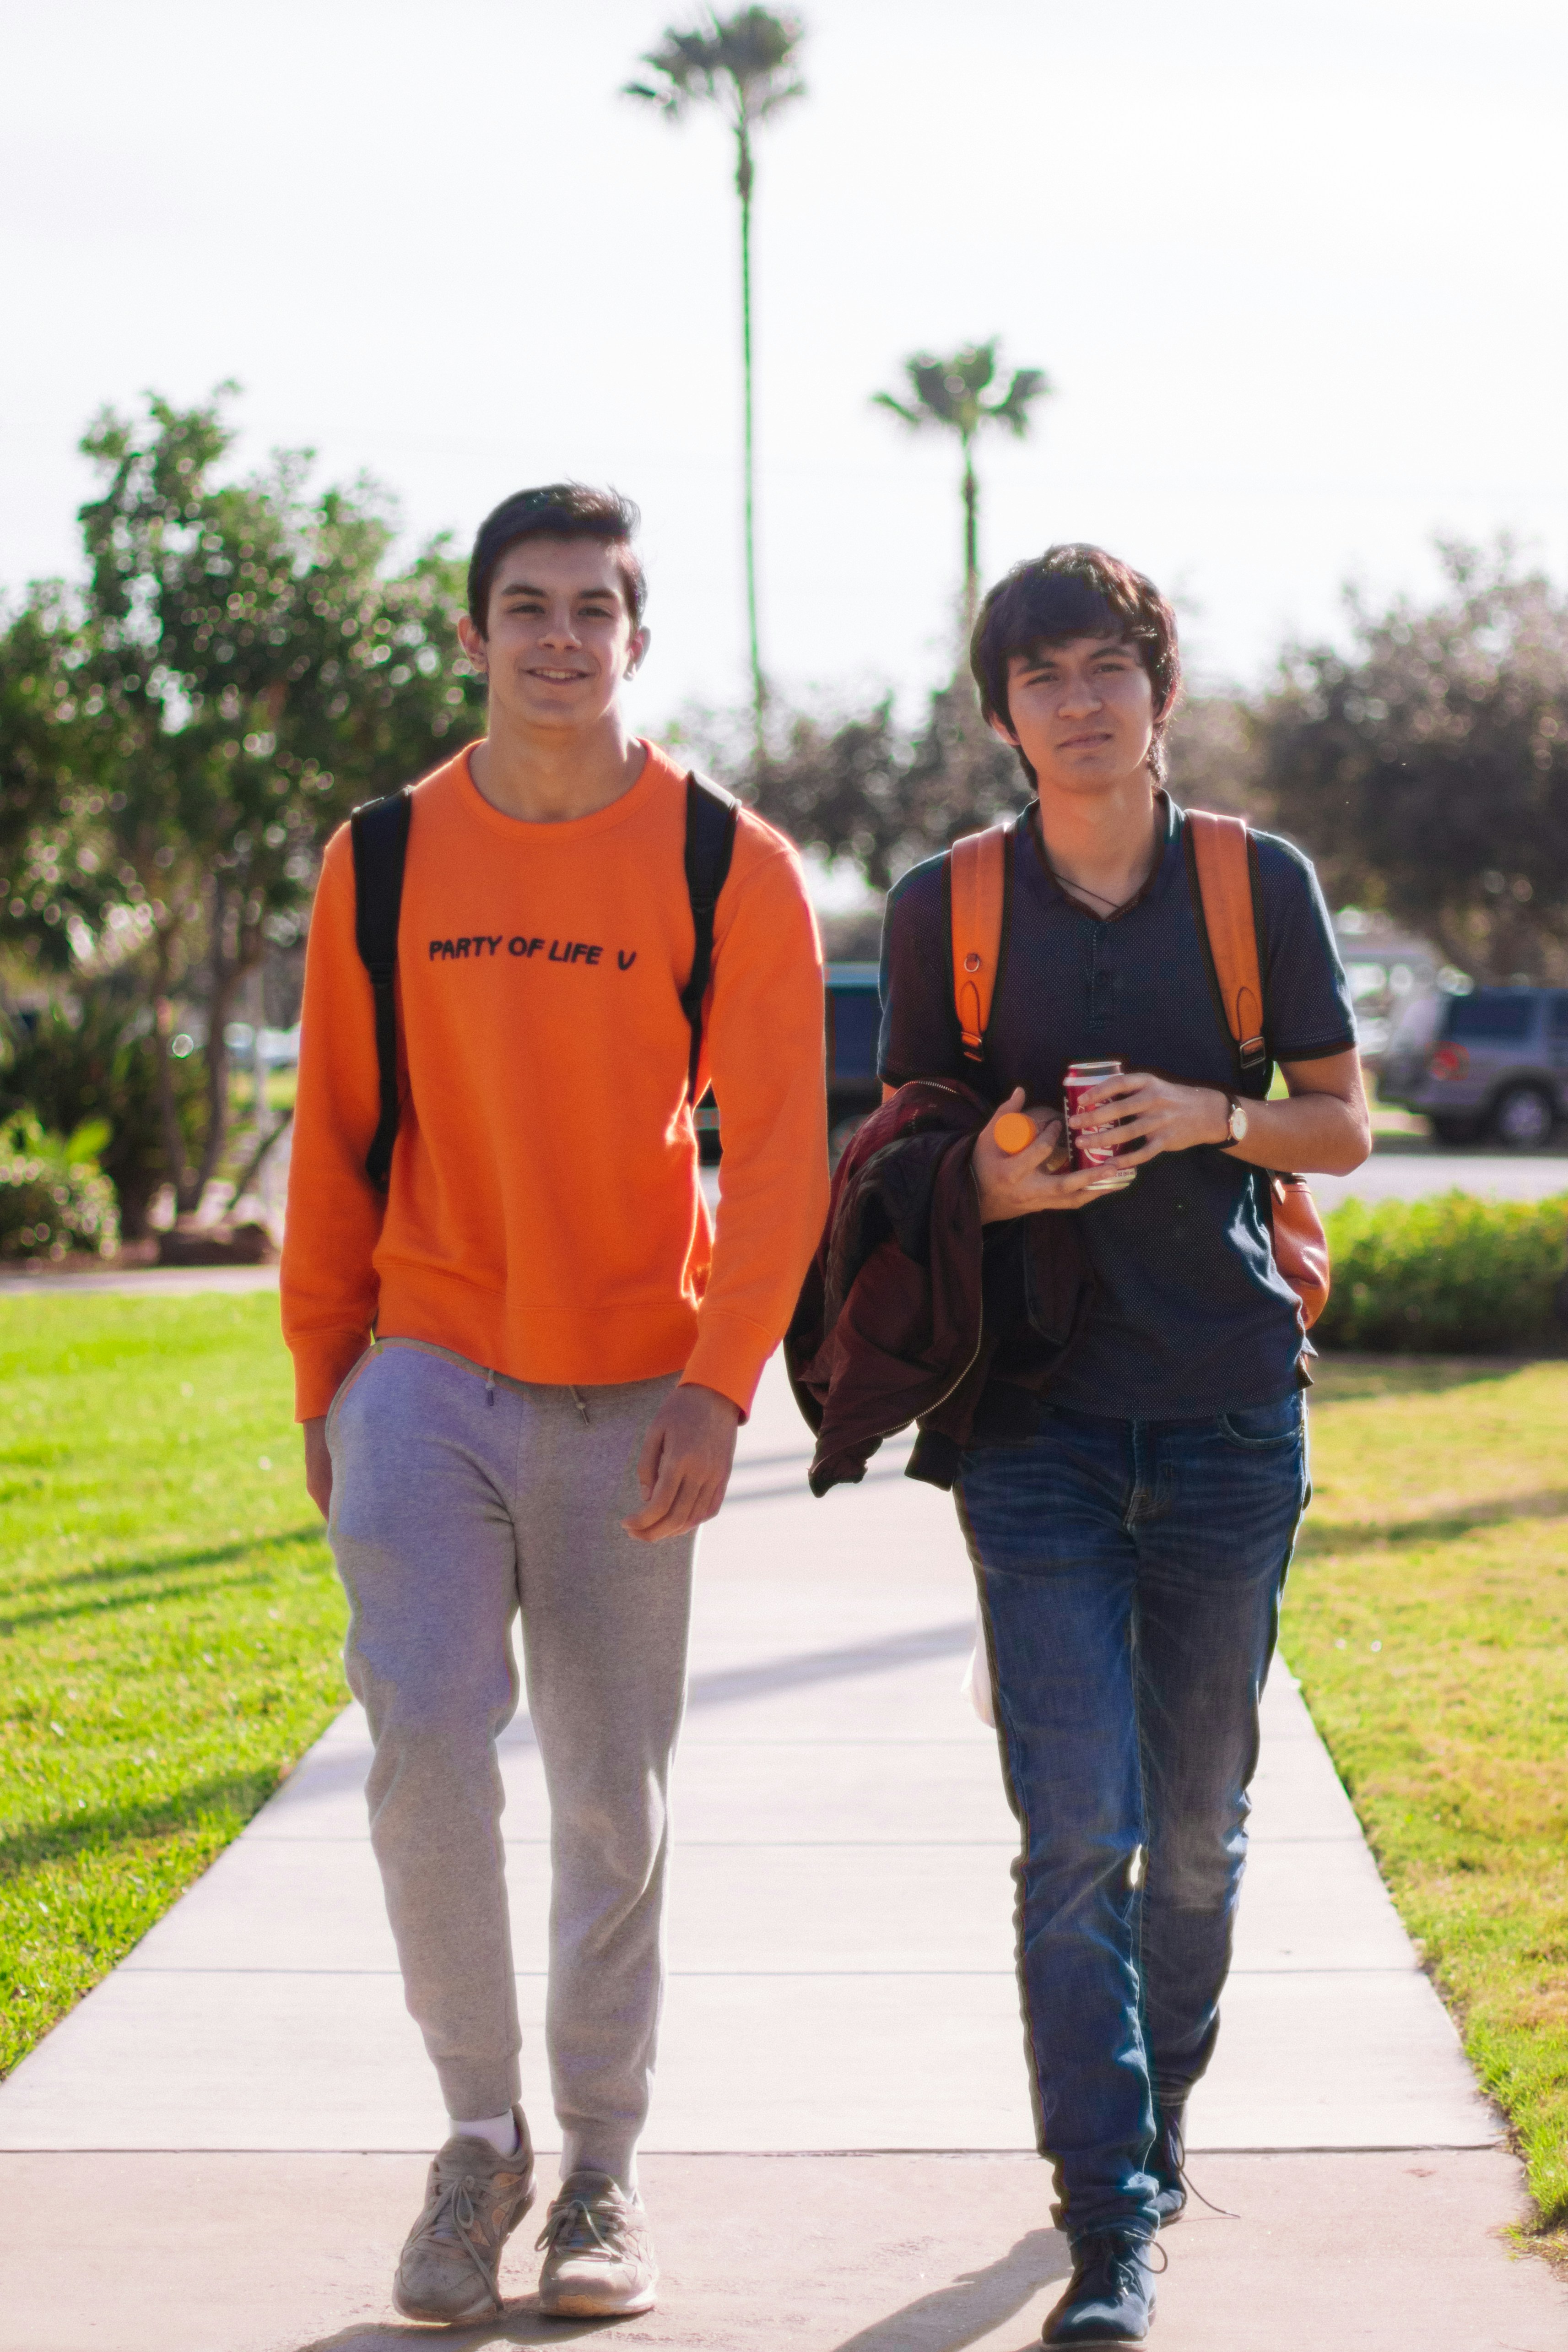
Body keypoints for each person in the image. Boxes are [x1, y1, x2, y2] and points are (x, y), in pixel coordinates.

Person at [281, 482, 827, 2325]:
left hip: (632, 1392)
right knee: (425, 1735)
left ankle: (599, 2171)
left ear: (634, 640)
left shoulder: (721, 861)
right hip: (425, 1368)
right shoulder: (382, 856)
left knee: (611, 1796)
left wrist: (714, 1385)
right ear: (471, 634)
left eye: (593, 608)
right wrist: (324, 1383)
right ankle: (472, 2139)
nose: (557, 637)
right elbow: (337, 1144)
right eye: (524, 605)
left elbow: (780, 1170)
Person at [876, 544, 1369, 2346]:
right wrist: (998, 1180)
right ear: (1001, 710)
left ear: (1155, 689)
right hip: (1033, 1427)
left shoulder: (1253, 885)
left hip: (1232, 1414)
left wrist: (1206, 1117)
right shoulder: (952, 905)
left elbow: (1335, 1130)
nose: (1075, 702)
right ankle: (1108, 2221)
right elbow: (902, 1159)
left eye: (1105, 668)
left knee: (1193, 1830)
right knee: (1070, 1828)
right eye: (1039, 676)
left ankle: (1151, 2127)